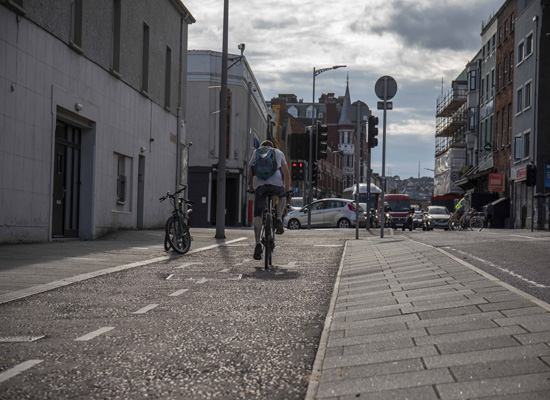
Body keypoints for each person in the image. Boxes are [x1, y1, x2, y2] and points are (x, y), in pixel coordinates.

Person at [248, 140, 290, 260]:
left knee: (257, 214)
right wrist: (286, 190)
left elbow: (251, 171)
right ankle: (278, 219)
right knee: (282, 195)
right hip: (277, 185)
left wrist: (251, 188)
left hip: (260, 187)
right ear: (272, 147)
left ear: (262, 147)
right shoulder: (278, 152)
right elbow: (287, 175)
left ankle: (257, 244)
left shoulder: (256, 152)